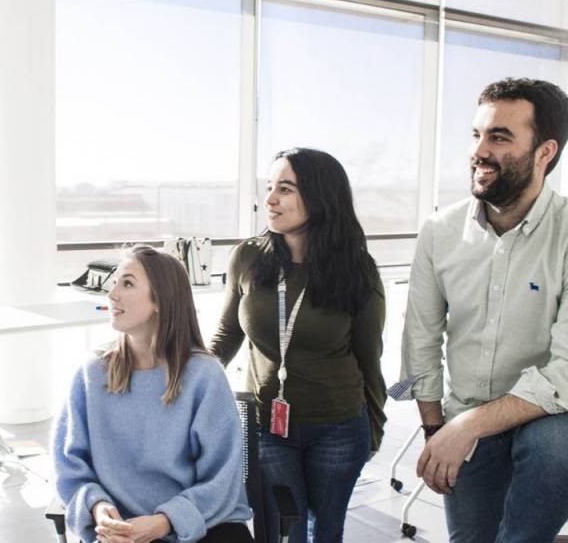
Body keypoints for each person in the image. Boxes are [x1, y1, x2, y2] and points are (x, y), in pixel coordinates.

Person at [401, 78, 568, 542]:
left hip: (556, 414)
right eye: (476, 135)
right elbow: (420, 338)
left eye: (499, 137)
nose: (479, 150)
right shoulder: (439, 232)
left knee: (552, 452)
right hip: (469, 402)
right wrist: (435, 427)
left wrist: (467, 427)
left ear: (545, 152)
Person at [209, 148, 387, 543]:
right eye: (269, 187)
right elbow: (226, 336)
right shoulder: (248, 258)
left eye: (285, 189)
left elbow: (368, 357)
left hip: (338, 426)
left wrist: (374, 428)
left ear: (321, 196)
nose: (270, 199)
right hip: (267, 424)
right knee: (278, 531)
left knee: (323, 530)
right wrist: (185, 376)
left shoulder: (356, 269)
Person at [53, 246, 254, 543]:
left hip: (199, 526)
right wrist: (97, 506)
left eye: (128, 283)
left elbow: (222, 479)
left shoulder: (204, 376)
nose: (112, 294)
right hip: (120, 531)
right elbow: (70, 463)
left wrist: (165, 522)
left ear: (160, 299)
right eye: (115, 282)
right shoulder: (92, 372)